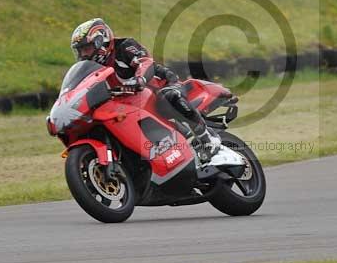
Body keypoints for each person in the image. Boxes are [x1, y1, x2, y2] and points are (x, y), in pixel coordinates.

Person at [69, 18, 223, 162]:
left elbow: (145, 62)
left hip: (160, 85)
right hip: (130, 102)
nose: (83, 55)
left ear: (101, 42)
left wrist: (140, 79)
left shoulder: (124, 46)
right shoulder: (92, 69)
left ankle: (207, 138)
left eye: (87, 49)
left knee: (168, 97)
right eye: (80, 51)